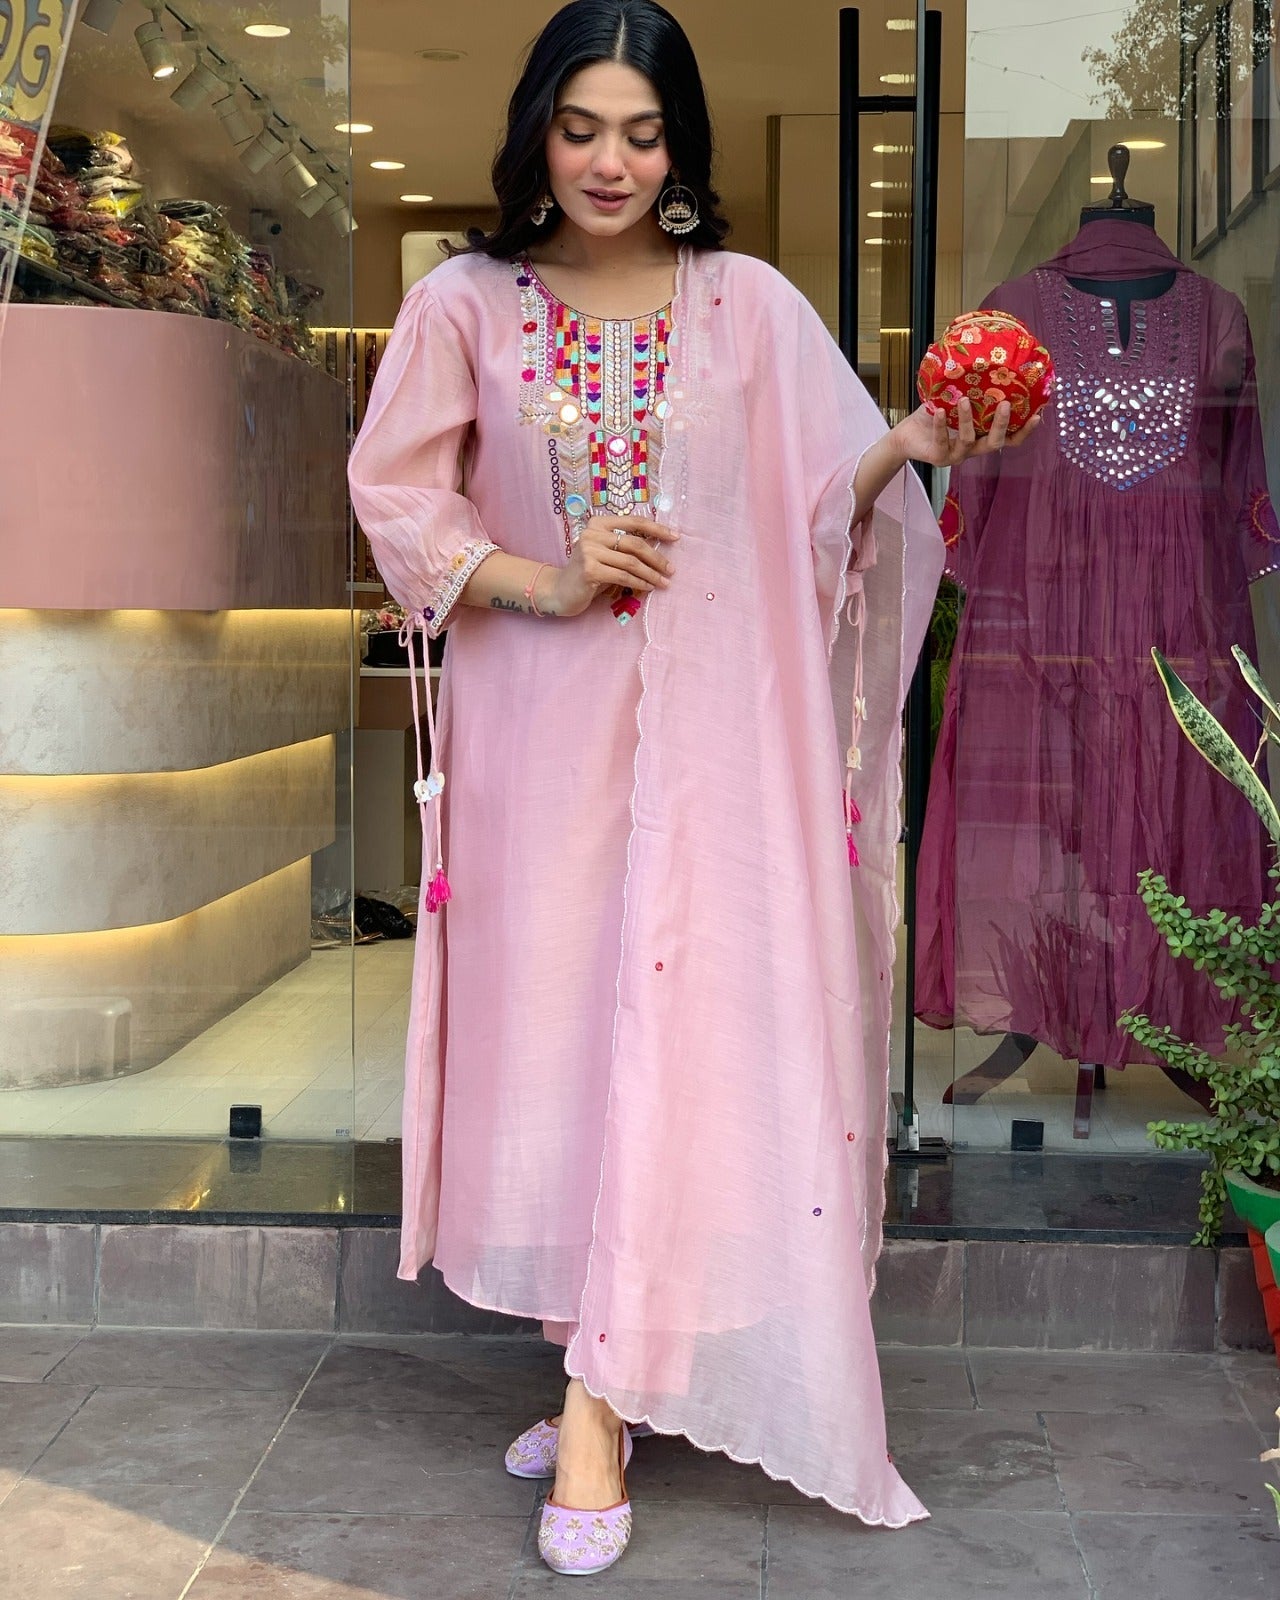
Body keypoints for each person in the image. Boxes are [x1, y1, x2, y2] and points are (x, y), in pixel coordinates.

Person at [349, 0, 1034, 1576]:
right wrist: (546, 577)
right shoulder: (463, 303)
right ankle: (604, 1351)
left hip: (721, 751)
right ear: (537, 131)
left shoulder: (750, 307)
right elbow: (400, 501)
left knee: (684, 1040)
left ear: (682, 147)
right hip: (543, 749)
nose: (611, 161)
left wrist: (909, 441)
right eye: (582, 127)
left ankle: (601, 1402)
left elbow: (820, 502)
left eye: (644, 133)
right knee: (571, 1045)